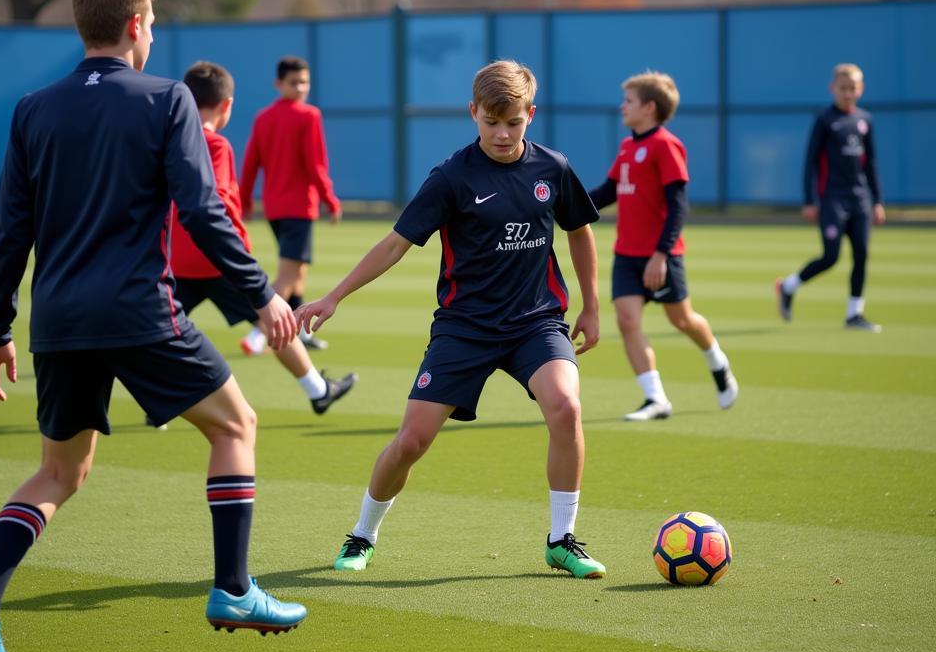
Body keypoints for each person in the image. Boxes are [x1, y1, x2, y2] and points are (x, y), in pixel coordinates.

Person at [0, 0, 307, 652]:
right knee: (235, 426)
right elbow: (203, 212)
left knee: (57, 472)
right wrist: (263, 296)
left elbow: (10, 230)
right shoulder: (167, 99)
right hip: (140, 309)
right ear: (136, 26)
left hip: (60, 320)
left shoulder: (34, 108)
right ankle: (233, 588)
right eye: (154, 23)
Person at [298, 60, 607, 580]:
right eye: (491, 122)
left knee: (566, 406)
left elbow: (579, 229)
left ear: (531, 114)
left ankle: (562, 540)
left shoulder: (553, 168)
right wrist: (335, 296)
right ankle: (362, 534)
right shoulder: (452, 176)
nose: (503, 134)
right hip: (464, 329)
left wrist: (592, 304)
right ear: (473, 114)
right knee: (412, 441)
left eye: (513, 122)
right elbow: (396, 242)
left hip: (536, 323)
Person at [166, 60, 356, 418]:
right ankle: (317, 389)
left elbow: (250, 162)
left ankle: (155, 398)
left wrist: (251, 195)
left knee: (151, 329)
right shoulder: (218, 144)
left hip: (177, 259)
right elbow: (217, 204)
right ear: (226, 106)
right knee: (277, 313)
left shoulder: (168, 142)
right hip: (224, 257)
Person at [588, 71, 738, 422]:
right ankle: (656, 399)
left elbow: (678, 206)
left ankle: (718, 362)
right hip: (626, 253)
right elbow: (608, 192)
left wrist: (661, 255)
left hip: (659, 255)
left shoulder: (666, 145)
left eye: (629, 101)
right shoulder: (627, 146)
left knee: (682, 319)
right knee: (627, 321)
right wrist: (560, 206)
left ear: (649, 108)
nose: (622, 106)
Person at [237, 55, 341, 355]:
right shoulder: (309, 116)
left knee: (298, 273)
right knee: (288, 275)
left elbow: (250, 164)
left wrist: (244, 201)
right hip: (299, 207)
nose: (300, 88)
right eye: (294, 82)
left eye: (304, 82)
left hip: (275, 208)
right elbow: (315, 164)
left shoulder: (263, 117)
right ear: (278, 84)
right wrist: (330, 199)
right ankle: (259, 333)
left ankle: (300, 333)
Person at [776, 63, 885, 331]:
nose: (848, 94)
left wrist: (877, 200)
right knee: (831, 256)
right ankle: (789, 286)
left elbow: (870, 163)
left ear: (861, 89)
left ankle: (854, 314)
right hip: (832, 198)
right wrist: (809, 201)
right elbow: (810, 161)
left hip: (859, 198)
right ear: (832, 88)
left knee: (861, 253)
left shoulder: (864, 120)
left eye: (853, 88)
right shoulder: (825, 120)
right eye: (843, 88)